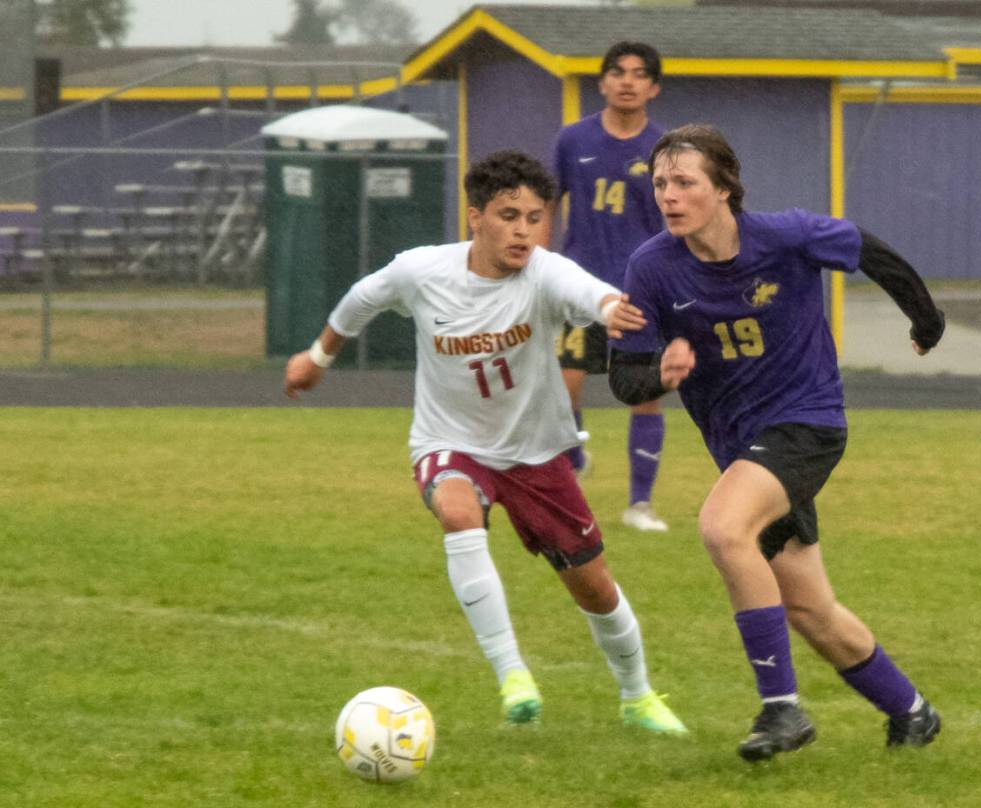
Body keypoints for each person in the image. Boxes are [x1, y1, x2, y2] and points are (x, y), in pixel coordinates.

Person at [284, 149, 686, 735]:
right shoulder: (421, 272)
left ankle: (637, 695)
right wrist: (317, 358)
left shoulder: (545, 273)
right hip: (450, 441)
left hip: (535, 452)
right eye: (508, 215)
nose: (524, 231)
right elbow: (359, 300)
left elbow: (591, 293)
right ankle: (513, 674)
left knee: (595, 589)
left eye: (534, 217)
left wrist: (615, 310)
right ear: (476, 217)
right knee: (456, 509)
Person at [609, 123, 944, 760]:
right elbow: (625, 377)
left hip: (807, 422)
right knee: (808, 608)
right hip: (741, 447)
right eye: (660, 184)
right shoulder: (650, 266)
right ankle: (912, 711)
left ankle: (781, 710)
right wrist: (660, 370)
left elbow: (867, 249)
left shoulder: (785, 235)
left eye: (685, 182)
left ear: (725, 189)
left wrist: (925, 318)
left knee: (722, 526)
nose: (669, 196)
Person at [549, 41, 669, 532]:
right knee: (562, 388)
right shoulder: (572, 140)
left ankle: (640, 504)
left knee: (646, 393)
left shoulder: (664, 149)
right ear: (601, 82)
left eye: (639, 74)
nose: (627, 81)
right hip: (579, 288)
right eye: (617, 72)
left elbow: (675, 218)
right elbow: (547, 202)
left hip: (639, 293)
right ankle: (574, 455)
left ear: (653, 87)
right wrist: (537, 267)